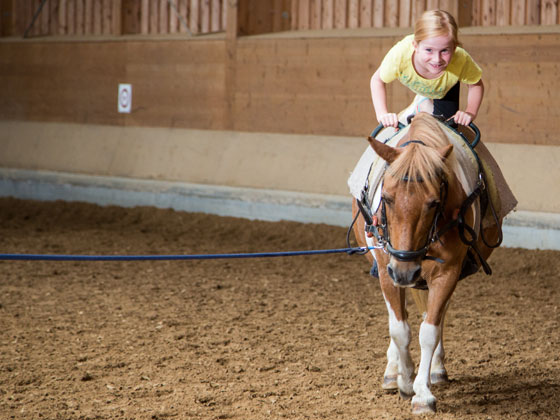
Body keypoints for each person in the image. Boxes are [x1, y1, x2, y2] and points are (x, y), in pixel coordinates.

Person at [370, 9, 484, 128]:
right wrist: (382, 114)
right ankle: (421, 104)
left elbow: (476, 84)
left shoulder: (460, 59)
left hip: (444, 90)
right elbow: (377, 80)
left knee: (448, 128)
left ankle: (426, 105)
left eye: (444, 50)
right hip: (424, 85)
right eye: (429, 50)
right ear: (415, 46)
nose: (437, 59)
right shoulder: (400, 55)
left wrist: (470, 112)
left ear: (454, 48)